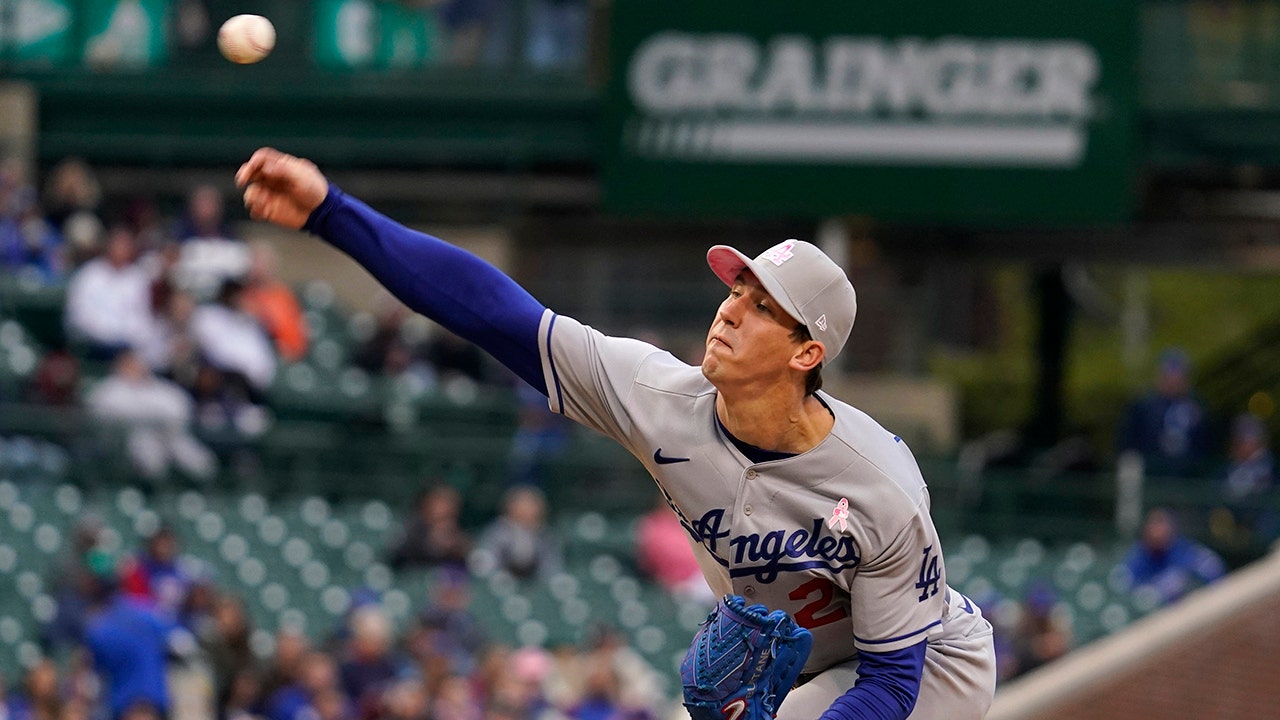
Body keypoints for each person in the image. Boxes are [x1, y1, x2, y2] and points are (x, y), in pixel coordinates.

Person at [236, 147, 997, 720]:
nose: (730, 309)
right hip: (808, 669)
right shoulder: (657, 396)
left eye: (763, 306)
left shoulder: (880, 487)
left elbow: (891, 685)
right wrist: (331, 211)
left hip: (927, 669)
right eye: (736, 289)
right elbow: (491, 310)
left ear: (808, 352)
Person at [1117, 348, 1212, 479]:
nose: (1173, 381)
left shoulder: (1198, 407)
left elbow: (1206, 446)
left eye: (1178, 377)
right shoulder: (1144, 406)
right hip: (1152, 475)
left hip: (1187, 477)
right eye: (1168, 376)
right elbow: (1128, 442)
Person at [1119, 508, 1226, 607]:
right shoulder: (1138, 555)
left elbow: (1215, 571)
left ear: (1171, 530)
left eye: (1161, 525)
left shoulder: (1186, 551)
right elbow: (1124, 584)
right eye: (1153, 526)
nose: (1157, 532)